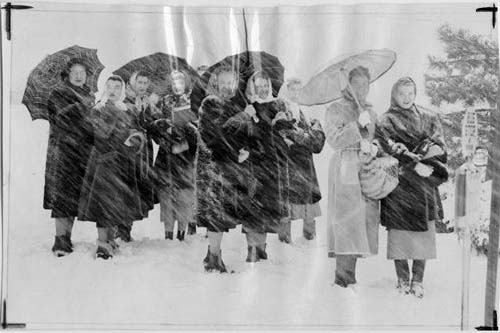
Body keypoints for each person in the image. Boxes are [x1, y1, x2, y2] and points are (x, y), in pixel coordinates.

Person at [375, 77, 448, 298]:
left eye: (410, 93)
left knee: (423, 234)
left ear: (415, 94)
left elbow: (440, 146)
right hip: (399, 185)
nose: (406, 98)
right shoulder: (385, 120)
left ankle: (418, 280)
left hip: (423, 184)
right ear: (394, 95)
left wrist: (426, 162)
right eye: (402, 93)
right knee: (399, 234)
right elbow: (385, 146)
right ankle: (401, 278)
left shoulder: (429, 117)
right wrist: (410, 160)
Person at [78, 75, 148, 259]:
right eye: (110, 86)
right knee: (103, 203)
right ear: (104, 88)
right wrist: (112, 116)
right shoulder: (98, 109)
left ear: (123, 90)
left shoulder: (128, 109)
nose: (113, 90)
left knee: (115, 203)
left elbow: (136, 132)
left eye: (117, 87)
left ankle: (110, 239)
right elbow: (99, 135)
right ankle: (102, 245)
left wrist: (134, 137)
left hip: (122, 163)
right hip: (104, 161)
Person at [224, 71, 290, 262]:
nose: (262, 89)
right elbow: (229, 130)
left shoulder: (278, 106)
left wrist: (281, 123)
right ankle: (251, 248)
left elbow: (284, 138)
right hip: (253, 165)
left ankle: (261, 246)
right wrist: (245, 116)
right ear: (252, 87)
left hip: (273, 165)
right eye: (258, 86)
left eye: (265, 85)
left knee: (268, 208)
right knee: (252, 208)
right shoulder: (249, 107)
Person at [324, 66, 380, 288]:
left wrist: (373, 146)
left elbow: (379, 138)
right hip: (345, 167)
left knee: (363, 223)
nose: (362, 89)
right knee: (346, 221)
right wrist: (356, 125)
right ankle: (342, 276)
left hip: (366, 167)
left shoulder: (371, 111)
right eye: (356, 84)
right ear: (347, 86)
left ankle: (351, 274)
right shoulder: (335, 109)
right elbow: (334, 139)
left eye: (365, 84)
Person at [195, 65, 247, 272]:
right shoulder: (210, 103)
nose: (227, 86)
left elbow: (233, 134)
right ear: (216, 83)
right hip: (213, 167)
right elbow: (216, 136)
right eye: (223, 82)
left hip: (223, 166)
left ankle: (212, 255)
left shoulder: (229, 104)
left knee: (219, 214)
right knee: (216, 215)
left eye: (230, 82)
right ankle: (214, 260)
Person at [44, 59, 95, 257]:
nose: (78, 75)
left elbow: (90, 125)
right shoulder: (58, 94)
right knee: (63, 197)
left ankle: (67, 237)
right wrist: (82, 110)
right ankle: (60, 241)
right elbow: (60, 120)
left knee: (74, 197)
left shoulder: (89, 95)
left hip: (83, 153)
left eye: (82, 71)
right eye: (74, 71)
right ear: (68, 74)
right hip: (64, 152)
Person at [150, 70, 197, 241]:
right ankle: (168, 234)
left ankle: (182, 232)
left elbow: (200, 130)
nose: (178, 85)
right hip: (167, 156)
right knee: (167, 196)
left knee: (184, 196)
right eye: (175, 81)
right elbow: (153, 127)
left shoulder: (193, 100)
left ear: (186, 83)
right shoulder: (164, 101)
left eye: (181, 81)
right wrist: (165, 130)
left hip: (186, 157)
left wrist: (186, 139)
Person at [277, 78, 325, 242]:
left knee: (309, 208)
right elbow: (282, 135)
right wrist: (304, 138)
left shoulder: (307, 113)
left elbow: (318, 143)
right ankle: (284, 242)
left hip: (306, 167)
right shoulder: (281, 110)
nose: (296, 93)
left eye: (299, 90)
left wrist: (300, 137)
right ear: (287, 90)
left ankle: (309, 239)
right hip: (289, 167)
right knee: (287, 207)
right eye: (293, 90)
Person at [120, 70, 159, 242]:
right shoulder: (124, 99)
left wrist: (152, 110)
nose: (143, 86)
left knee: (137, 188)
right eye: (140, 82)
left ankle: (126, 227)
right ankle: (120, 228)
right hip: (128, 151)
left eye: (145, 83)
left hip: (144, 151)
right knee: (126, 186)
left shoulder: (147, 102)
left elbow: (151, 127)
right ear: (132, 83)